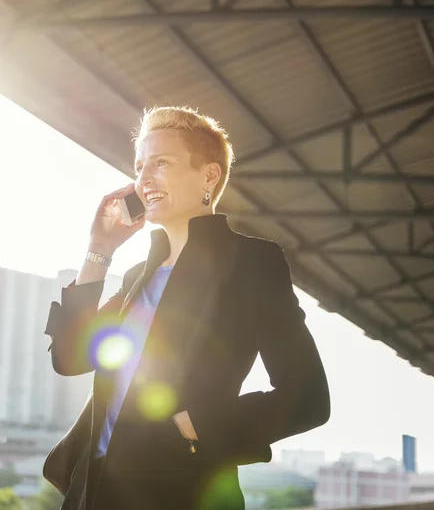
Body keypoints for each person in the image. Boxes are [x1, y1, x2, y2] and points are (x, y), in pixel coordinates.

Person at [43, 106, 330, 510]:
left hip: (182, 492)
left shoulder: (250, 262)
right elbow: (69, 358)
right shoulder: (136, 277)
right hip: (93, 494)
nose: (144, 179)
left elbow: (308, 398)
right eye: (140, 166)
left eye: (161, 163)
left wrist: (193, 426)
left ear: (209, 176)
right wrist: (100, 249)